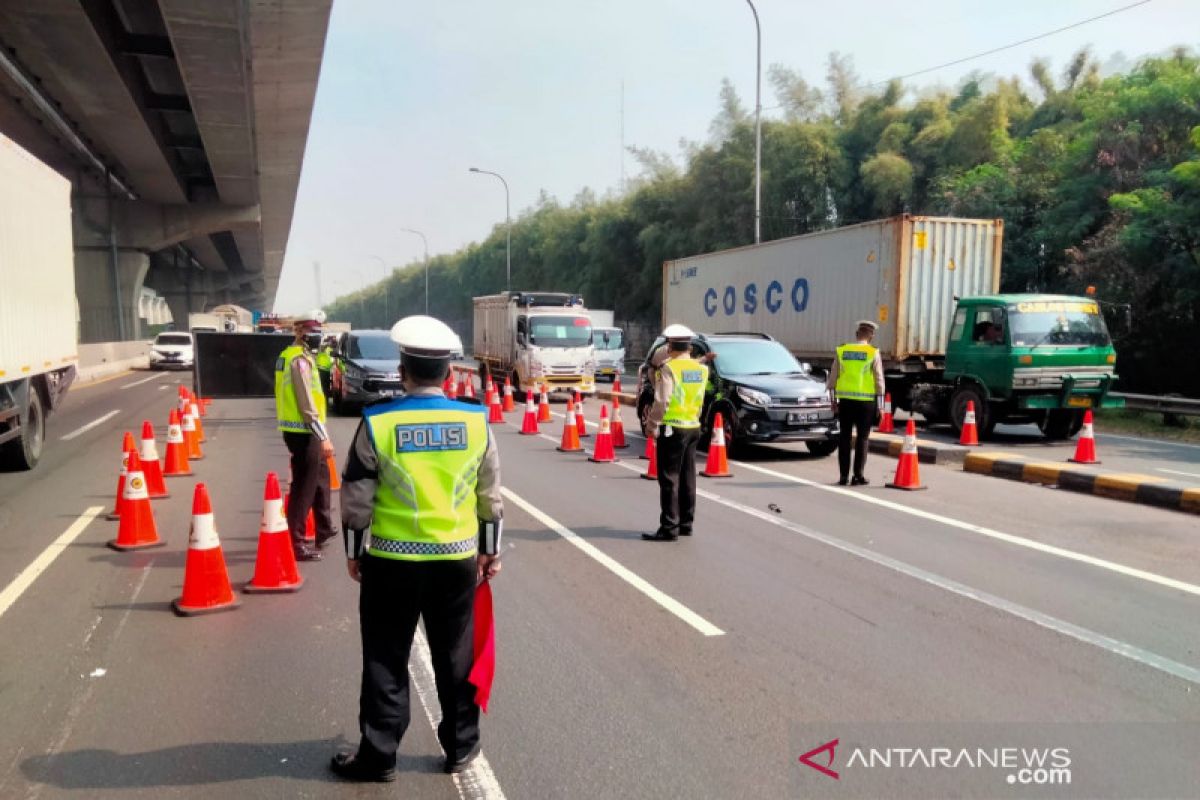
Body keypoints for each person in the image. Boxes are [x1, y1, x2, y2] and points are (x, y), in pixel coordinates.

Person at [331, 314, 503, 783]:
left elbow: (356, 495)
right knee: (456, 656)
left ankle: (379, 755)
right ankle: (461, 747)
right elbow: (489, 493)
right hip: (456, 561)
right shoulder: (474, 421)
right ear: (450, 373)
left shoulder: (379, 422)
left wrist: (353, 549)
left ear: (402, 369)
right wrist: (490, 549)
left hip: (391, 562)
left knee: (386, 657)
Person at [274, 310, 337, 561]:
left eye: (319, 332)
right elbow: (307, 403)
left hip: (299, 428)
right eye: (312, 332)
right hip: (303, 430)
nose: (317, 336)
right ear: (299, 332)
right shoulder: (298, 360)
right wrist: (323, 437)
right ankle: (296, 541)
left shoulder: (289, 355)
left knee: (321, 476)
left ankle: (324, 528)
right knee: (304, 486)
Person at [642, 324, 708, 542]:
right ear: (688, 346)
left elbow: (662, 400)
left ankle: (669, 527)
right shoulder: (701, 369)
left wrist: (652, 425)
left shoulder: (669, 369)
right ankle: (686, 524)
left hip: (672, 427)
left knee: (669, 478)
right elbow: (699, 399)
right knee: (688, 476)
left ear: (670, 346)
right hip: (692, 426)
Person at [827, 320, 886, 486]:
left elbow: (833, 378)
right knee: (862, 438)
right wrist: (881, 407)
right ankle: (858, 476)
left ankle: (843, 477)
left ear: (856, 335)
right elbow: (879, 381)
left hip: (845, 402)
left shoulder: (843, 350)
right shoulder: (873, 352)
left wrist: (833, 401)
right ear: (871, 336)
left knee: (844, 438)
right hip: (866, 403)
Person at [316, 335, 336, 400]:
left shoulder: (331, 350)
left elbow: (333, 361)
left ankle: (325, 401)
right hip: (320, 370)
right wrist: (328, 343)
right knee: (322, 388)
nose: (332, 343)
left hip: (326, 371)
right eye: (332, 341)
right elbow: (322, 347)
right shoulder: (323, 348)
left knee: (326, 389)